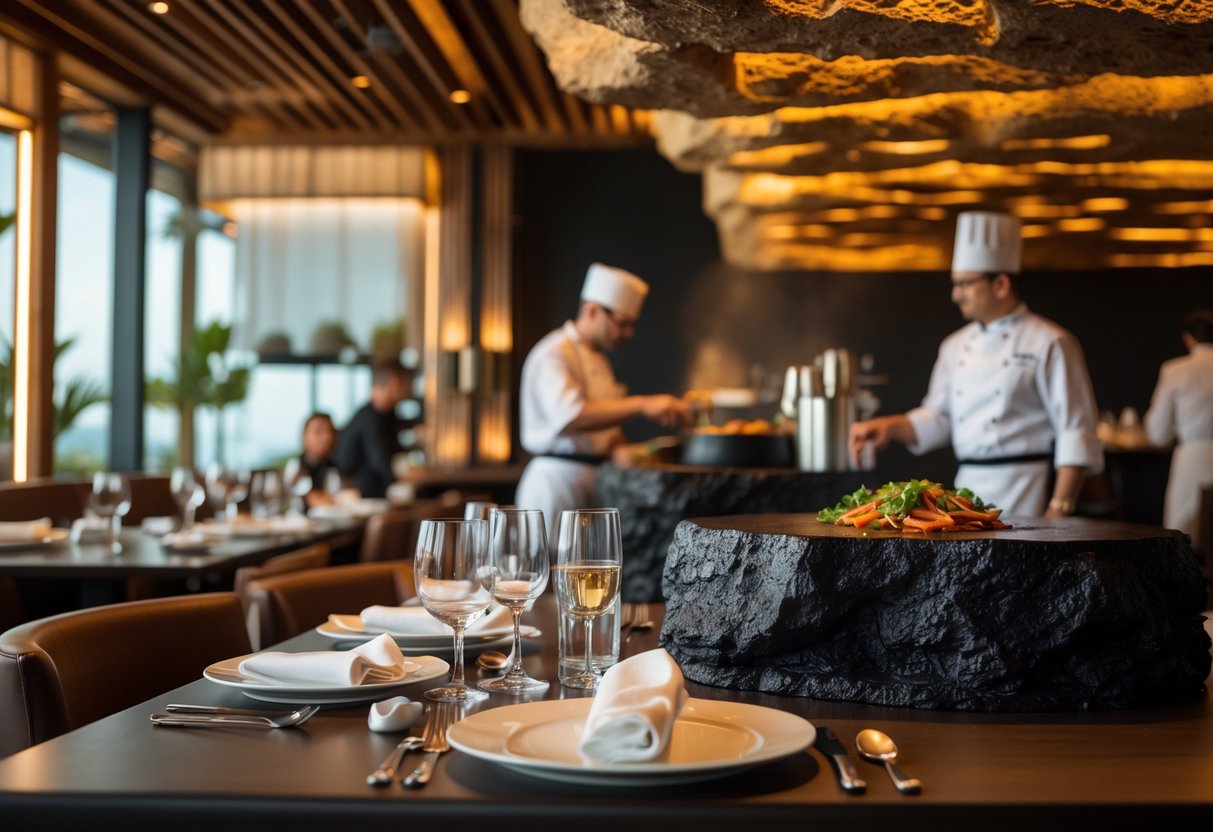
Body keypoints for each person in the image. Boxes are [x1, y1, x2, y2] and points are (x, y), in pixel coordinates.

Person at [849, 210, 1103, 517]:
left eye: (966, 284)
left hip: (1029, 490)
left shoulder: (1051, 341)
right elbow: (940, 419)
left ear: (1001, 284)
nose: (956, 295)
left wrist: (1059, 507)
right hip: (965, 495)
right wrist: (889, 426)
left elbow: (1075, 430)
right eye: (956, 284)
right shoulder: (954, 346)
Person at [515, 262, 694, 533]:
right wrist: (643, 404)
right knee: (549, 571)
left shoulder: (600, 359)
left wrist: (620, 447)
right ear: (593, 310)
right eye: (623, 324)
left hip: (596, 481)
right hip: (555, 485)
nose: (629, 333)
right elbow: (571, 416)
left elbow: (602, 428)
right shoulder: (553, 353)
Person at [1143, 309, 1213, 539]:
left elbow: (1157, 432)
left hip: (1192, 461)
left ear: (1188, 338)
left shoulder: (1175, 369)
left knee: (1185, 538)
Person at [335, 359, 416, 499]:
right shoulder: (369, 420)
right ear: (394, 383)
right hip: (364, 502)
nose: (411, 390)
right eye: (409, 384)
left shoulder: (387, 415)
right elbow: (380, 462)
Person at [283, 412, 341, 509]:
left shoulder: (337, 468)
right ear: (305, 437)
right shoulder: (296, 467)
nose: (326, 437)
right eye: (318, 432)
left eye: (329, 431)